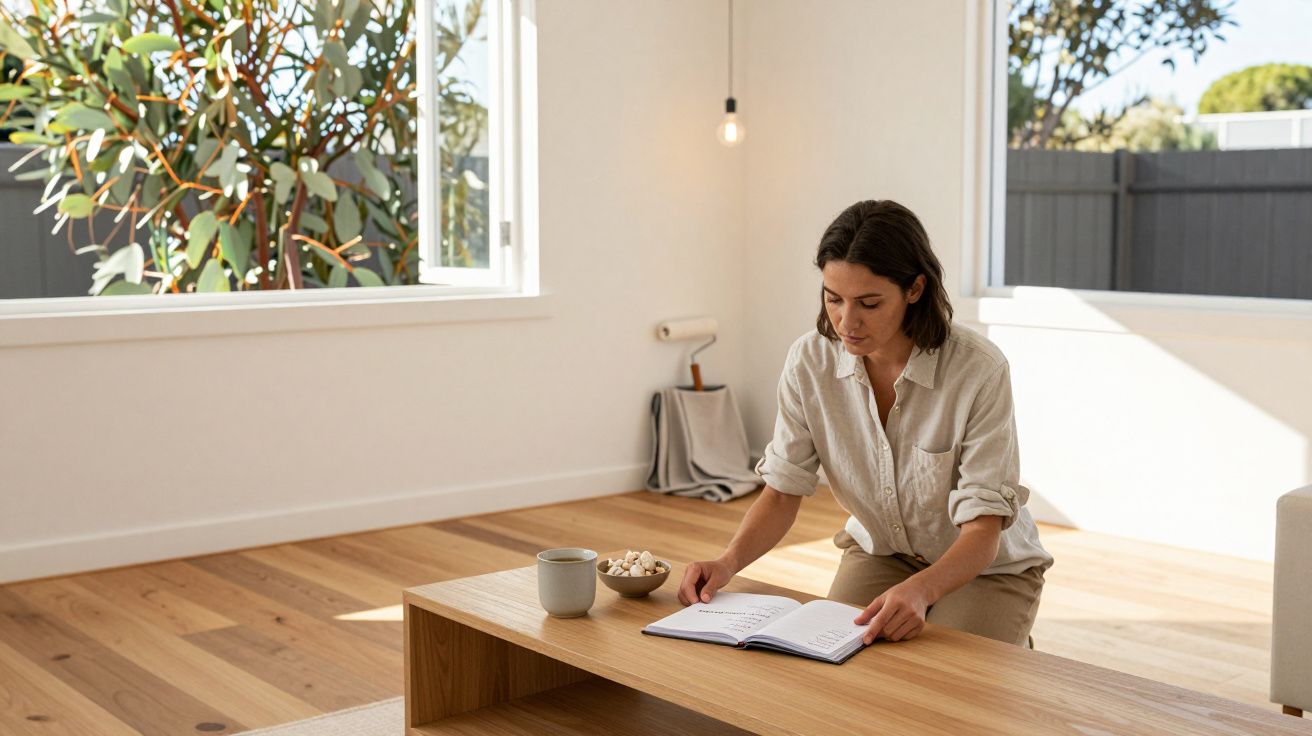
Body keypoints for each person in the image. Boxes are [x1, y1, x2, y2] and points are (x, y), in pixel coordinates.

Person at [677, 199, 1053, 647]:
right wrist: (727, 563)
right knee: (835, 660)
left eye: (869, 303)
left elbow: (984, 528)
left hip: (987, 568)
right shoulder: (809, 362)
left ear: (914, 289)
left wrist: (922, 591)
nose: (846, 321)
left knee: (946, 681)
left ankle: (1007, 635)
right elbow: (782, 491)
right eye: (833, 298)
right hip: (883, 553)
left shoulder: (979, 370)